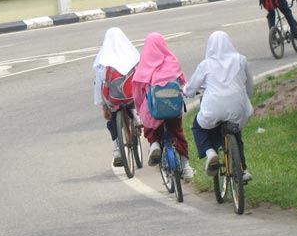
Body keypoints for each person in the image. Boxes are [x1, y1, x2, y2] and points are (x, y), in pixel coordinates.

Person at [183, 31, 254, 181]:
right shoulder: (241, 60)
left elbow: (190, 89)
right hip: (238, 107)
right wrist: (244, 97)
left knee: (198, 127)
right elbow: (249, 87)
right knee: (235, 131)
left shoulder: (206, 65)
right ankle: (242, 168)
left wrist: (186, 92)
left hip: (213, 108)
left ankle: (210, 153)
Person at [131, 32, 195, 181]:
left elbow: (138, 94)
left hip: (154, 110)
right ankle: (186, 167)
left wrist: (140, 109)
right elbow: (182, 82)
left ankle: (154, 144)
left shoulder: (144, 66)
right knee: (178, 133)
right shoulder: (172, 61)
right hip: (173, 109)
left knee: (150, 125)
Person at [93, 27, 140, 167]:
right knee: (132, 99)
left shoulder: (103, 61)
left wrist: (103, 105)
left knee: (112, 119)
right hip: (131, 96)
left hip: (112, 99)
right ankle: (135, 114)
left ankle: (117, 150)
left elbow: (99, 85)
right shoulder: (133, 56)